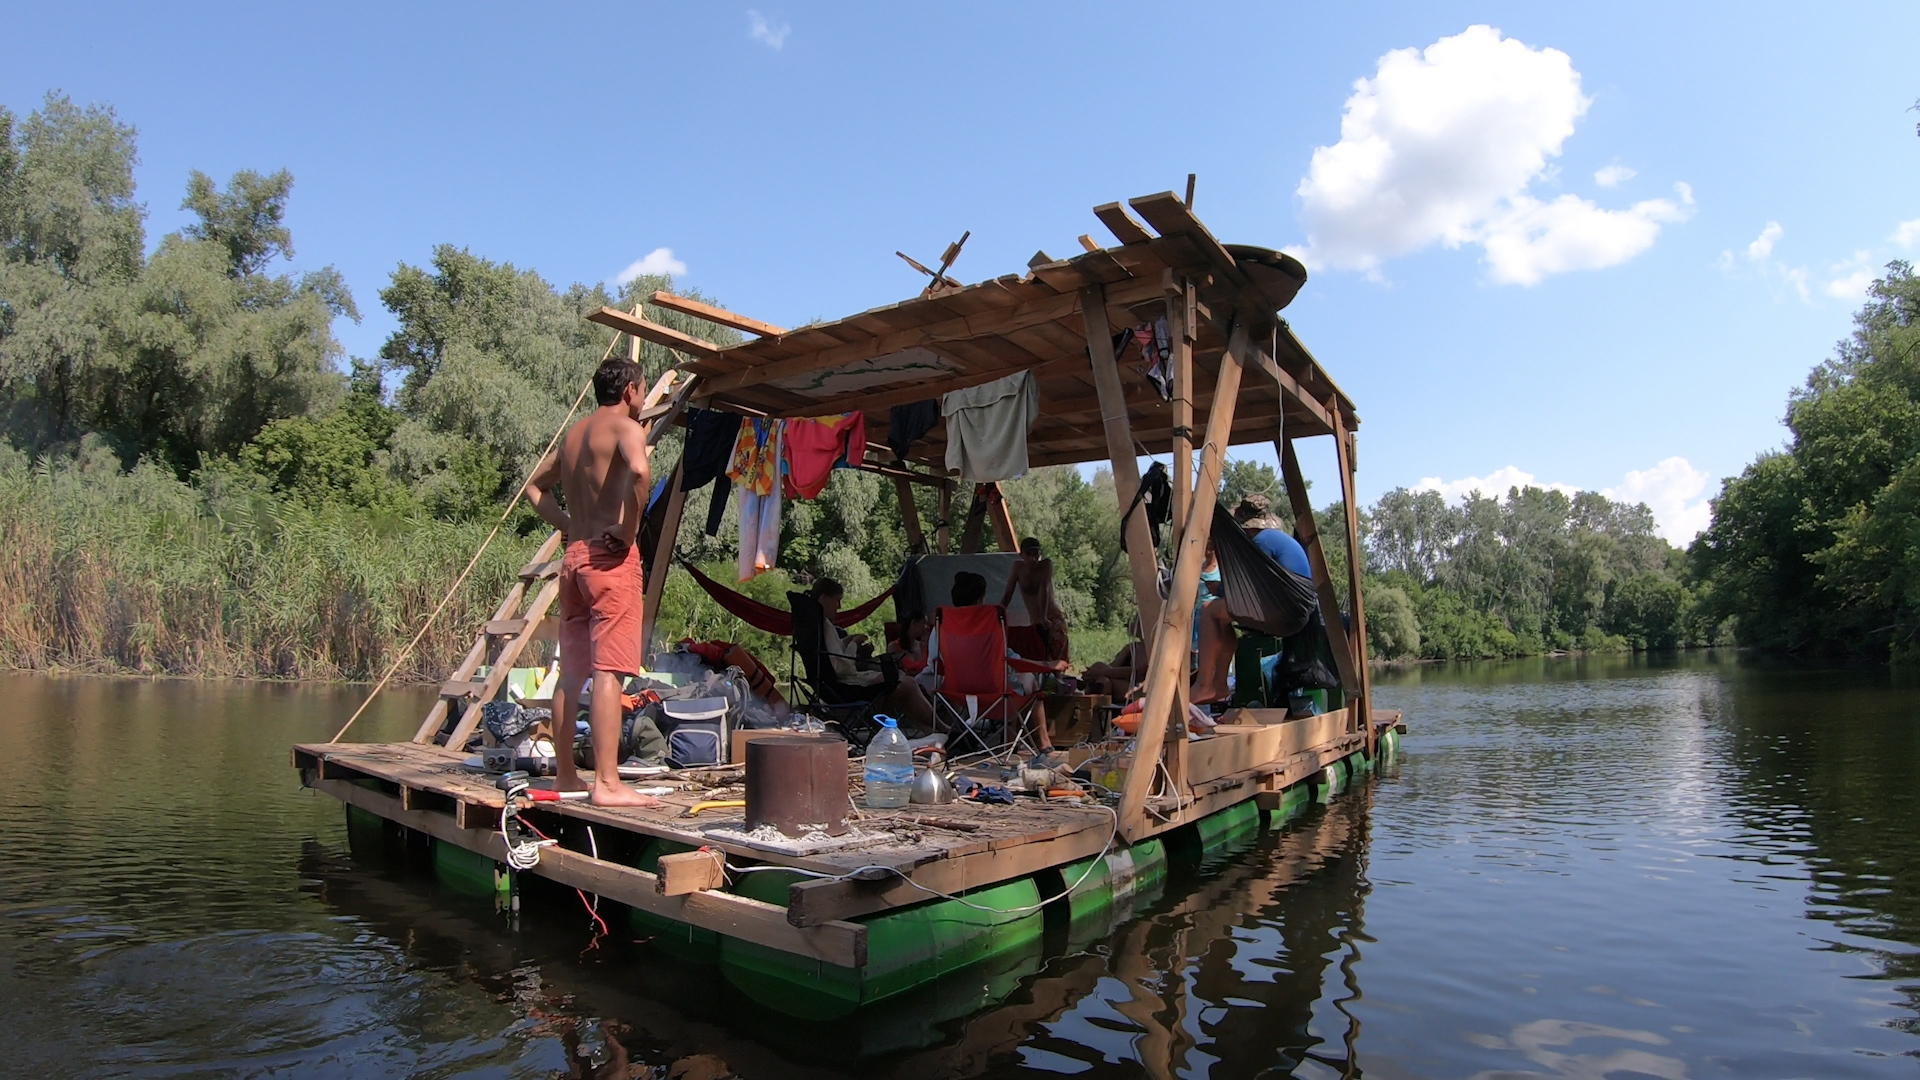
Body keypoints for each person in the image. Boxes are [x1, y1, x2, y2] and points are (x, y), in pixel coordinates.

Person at [523, 358, 663, 808]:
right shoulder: (626, 428)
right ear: (630, 391)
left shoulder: (574, 435)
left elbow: (533, 487)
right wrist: (629, 530)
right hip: (609, 561)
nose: (641, 400)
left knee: (573, 671)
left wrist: (565, 523)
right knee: (610, 673)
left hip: (574, 559)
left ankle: (566, 775)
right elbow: (640, 472)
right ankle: (606, 783)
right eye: (641, 391)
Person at [929, 571, 1068, 753]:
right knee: (1028, 681)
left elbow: (935, 664)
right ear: (981, 599)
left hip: (955, 694)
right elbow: (1009, 658)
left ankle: (1005, 743)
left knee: (1018, 680)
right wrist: (1046, 665)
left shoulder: (945, 624)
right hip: (995, 695)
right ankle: (1036, 743)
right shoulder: (988, 624)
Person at [1191, 507, 1313, 705]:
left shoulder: (1262, 541)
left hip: (1284, 606)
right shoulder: (1280, 540)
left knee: (1208, 610)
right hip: (1295, 608)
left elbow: (1250, 583)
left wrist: (1221, 591)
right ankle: (1220, 685)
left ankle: (1205, 684)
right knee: (1221, 620)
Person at [813, 578, 936, 731]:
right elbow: (840, 666)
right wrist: (854, 644)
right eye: (837, 600)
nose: (839, 606)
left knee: (901, 683)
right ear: (824, 597)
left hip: (832, 684)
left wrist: (847, 640)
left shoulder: (814, 623)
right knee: (903, 682)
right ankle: (940, 728)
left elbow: (832, 653)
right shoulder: (824, 625)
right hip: (846, 684)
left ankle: (926, 729)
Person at [999, 536, 1068, 660]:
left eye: (1036, 555)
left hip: (1052, 619)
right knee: (1038, 659)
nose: (1033, 559)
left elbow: (1044, 589)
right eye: (1029, 554)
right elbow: (1008, 593)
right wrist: (998, 614)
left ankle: (1057, 677)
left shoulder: (1046, 565)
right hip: (1036, 623)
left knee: (1055, 660)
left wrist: (1044, 617)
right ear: (1021, 555)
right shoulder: (1017, 568)